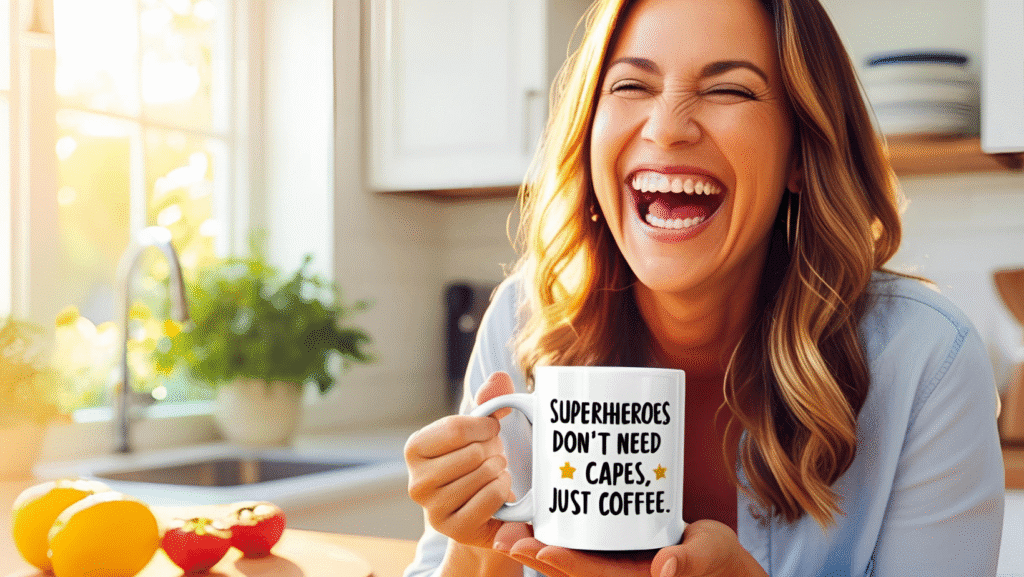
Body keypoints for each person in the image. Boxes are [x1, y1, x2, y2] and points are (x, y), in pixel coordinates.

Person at [403, 0, 1006, 574]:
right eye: (632, 85)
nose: (666, 128)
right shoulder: (527, 318)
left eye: (728, 89)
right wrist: (478, 544)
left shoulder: (927, 359)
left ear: (802, 151)